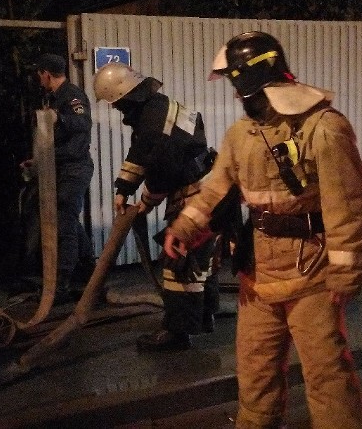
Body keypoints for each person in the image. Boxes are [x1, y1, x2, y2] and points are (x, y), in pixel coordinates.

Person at [163, 31, 362, 428]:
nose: (234, 94)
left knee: (327, 378)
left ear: (250, 80)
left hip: (312, 276)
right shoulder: (241, 135)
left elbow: (347, 205)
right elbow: (216, 189)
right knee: (256, 376)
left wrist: (346, 272)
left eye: (234, 82)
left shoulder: (323, 128)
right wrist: (185, 226)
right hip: (258, 278)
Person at [93, 62, 222, 351]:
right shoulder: (160, 107)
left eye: (116, 104)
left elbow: (160, 172)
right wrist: (123, 188)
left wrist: (144, 203)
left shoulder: (153, 123)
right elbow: (141, 152)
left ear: (126, 97)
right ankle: (204, 316)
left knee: (180, 264)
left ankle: (178, 333)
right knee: (201, 263)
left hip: (193, 195)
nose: (117, 110)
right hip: (207, 189)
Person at [27, 53, 95, 303]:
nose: (39, 79)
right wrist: (37, 162)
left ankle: (61, 285)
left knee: (63, 224)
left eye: (39, 74)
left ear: (46, 73)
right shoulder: (52, 98)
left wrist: (60, 118)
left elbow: (83, 123)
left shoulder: (72, 96)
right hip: (60, 168)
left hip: (74, 170)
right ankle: (90, 274)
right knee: (68, 220)